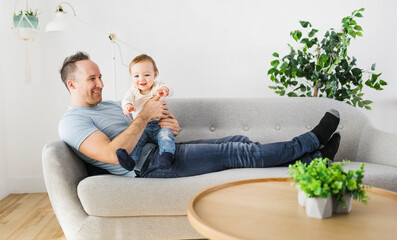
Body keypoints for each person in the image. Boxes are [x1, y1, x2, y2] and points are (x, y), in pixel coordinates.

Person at [58, 51, 341, 179]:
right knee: (236, 152)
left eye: (101, 76)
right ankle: (310, 142)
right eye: (93, 79)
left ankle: (311, 162)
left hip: (161, 148)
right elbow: (111, 153)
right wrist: (145, 116)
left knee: (240, 139)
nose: (101, 84)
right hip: (149, 166)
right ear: (72, 84)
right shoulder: (72, 123)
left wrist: (165, 124)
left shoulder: (107, 105)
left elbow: (141, 126)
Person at [117, 54, 175, 170]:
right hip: (142, 127)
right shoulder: (133, 91)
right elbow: (126, 99)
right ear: (131, 77)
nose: (141, 79)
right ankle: (131, 160)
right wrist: (128, 106)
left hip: (159, 124)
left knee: (166, 135)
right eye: (136, 76)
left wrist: (165, 90)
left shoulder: (157, 87)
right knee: (136, 140)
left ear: (155, 74)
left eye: (147, 75)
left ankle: (166, 156)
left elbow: (168, 88)